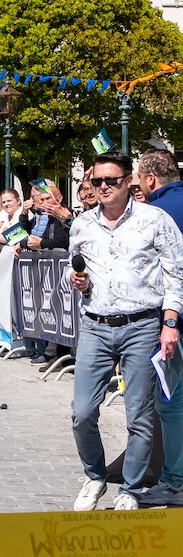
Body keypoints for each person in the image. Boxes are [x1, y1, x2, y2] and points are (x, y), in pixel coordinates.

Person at [68, 151, 183, 511]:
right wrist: (75, 281)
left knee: (140, 415)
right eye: (96, 181)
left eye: (111, 181)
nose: (103, 187)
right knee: (82, 411)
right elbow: (72, 271)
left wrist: (170, 323)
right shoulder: (83, 224)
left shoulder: (155, 219)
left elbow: (175, 274)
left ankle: (130, 489)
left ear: (128, 182)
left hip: (143, 325)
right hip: (96, 324)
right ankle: (95, 475)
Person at [136, 149, 183, 506]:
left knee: (171, 400)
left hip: (173, 320)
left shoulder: (156, 214)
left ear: (150, 179)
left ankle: (175, 480)